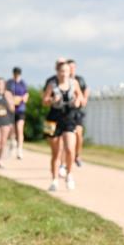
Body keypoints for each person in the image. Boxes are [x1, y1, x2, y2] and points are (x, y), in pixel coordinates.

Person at [42, 60, 83, 191]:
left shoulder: (74, 83)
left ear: (70, 72)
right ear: (57, 72)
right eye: (61, 71)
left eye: (66, 71)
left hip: (69, 118)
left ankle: (69, 174)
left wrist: (77, 101)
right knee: (56, 152)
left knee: (70, 148)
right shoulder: (51, 84)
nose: (64, 74)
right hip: (53, 119)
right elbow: (44, 101)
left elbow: (80, 98)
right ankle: (54, 180)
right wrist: (53, 100)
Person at [68, 59, 89, 167]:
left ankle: (77, 156)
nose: (72, 69)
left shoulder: (79, 80)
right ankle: (65, 160)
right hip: (66, 112)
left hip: (77, 112)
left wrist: (84, 99)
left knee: (79, 134)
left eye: (73, 67)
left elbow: (86, 89)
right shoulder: (63, 80)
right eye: (70, 67)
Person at [6, 67, 29, 159]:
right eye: (15, 73)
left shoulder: (23, 83)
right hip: (11, 109)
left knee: (20, 129)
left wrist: (23, 99)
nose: (16, 75)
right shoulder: (9, 83)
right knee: (12, 129)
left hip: (20, 109)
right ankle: (12, 143)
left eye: (18, 74)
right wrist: (10, 102)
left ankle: (20, 149)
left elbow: (26, 94)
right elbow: (6, 94)